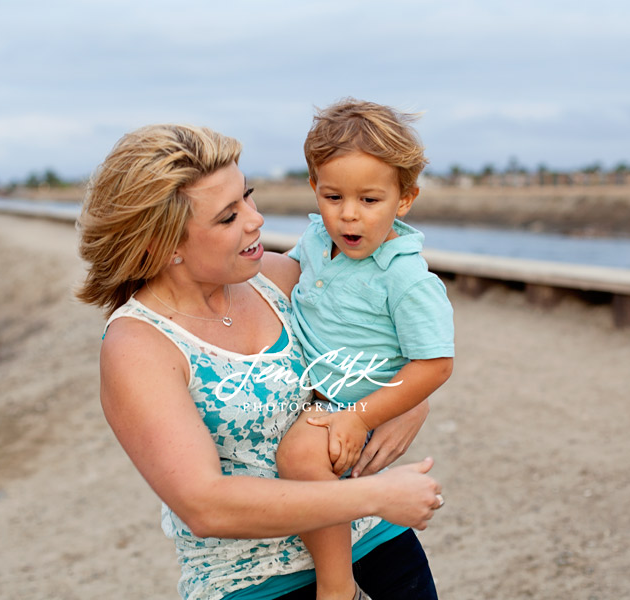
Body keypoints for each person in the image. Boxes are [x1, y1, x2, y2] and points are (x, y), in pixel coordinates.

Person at [75, 123, 445, 600]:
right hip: (256, 584)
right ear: (165, 243)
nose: (256, 220)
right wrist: (376, 495)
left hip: (377, 545)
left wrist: (408, 404)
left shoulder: (278, 277)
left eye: (247, 197)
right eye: (228, 217)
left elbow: (401, 332)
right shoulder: (138, 346)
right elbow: (205, 505)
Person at [275, 100, 454, 600]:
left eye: (370, 200)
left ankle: (337, 586)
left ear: (404, 199)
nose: (348, 214)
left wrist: (358, 417)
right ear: (314, 189)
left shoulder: (404, 277)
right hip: (318, 391)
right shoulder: (314, 239)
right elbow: (282, 278)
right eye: (333, 196)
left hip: (358, 401)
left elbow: (436, 363)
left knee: (299, 456)